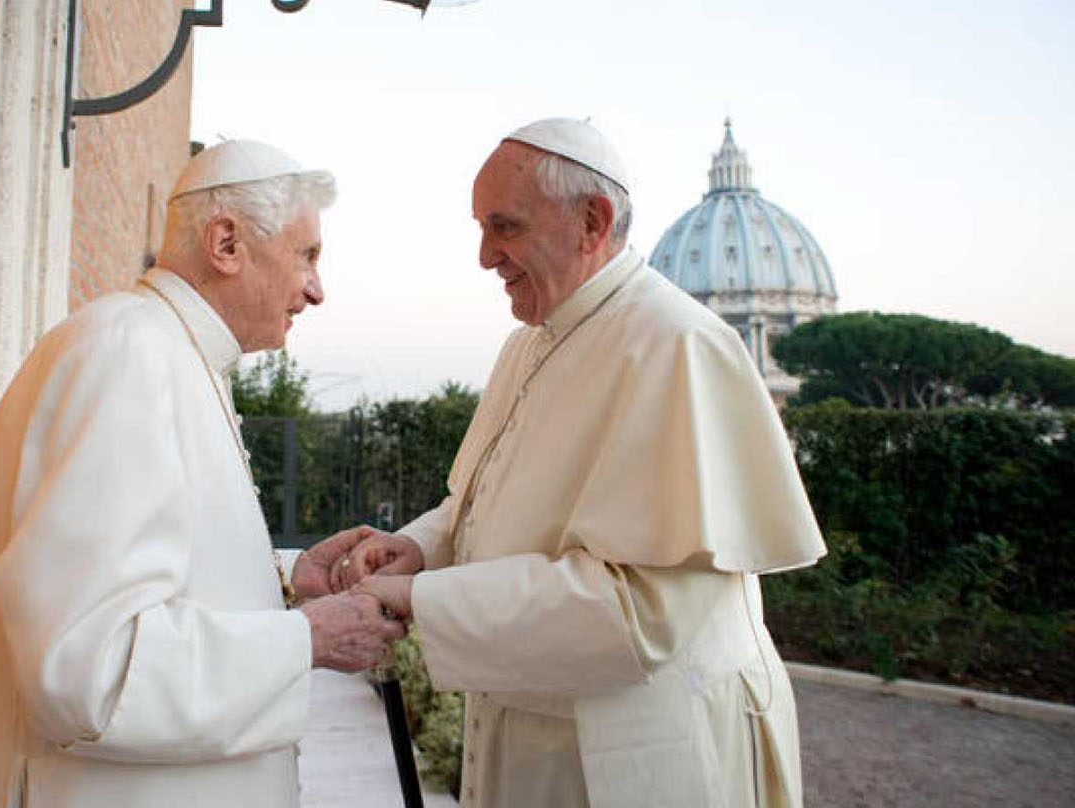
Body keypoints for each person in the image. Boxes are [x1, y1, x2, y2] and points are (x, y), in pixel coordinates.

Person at [322, 118, 827, 807]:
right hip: (535, 727)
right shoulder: (530, 342)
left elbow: (640, 611)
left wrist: (419, 601)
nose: (484, 256)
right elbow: (483, 502)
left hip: (639, 753)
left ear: (591, 220)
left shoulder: (676, 345)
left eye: (504, 227)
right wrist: (414, 548)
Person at [0, 140, 406, 808]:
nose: (316, 289)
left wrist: (286, 582)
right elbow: (89, 669)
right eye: (307, 255)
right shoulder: (129, 354)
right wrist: (307, 638)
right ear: (227, 243)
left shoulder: (168, 352)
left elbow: (154, 576)